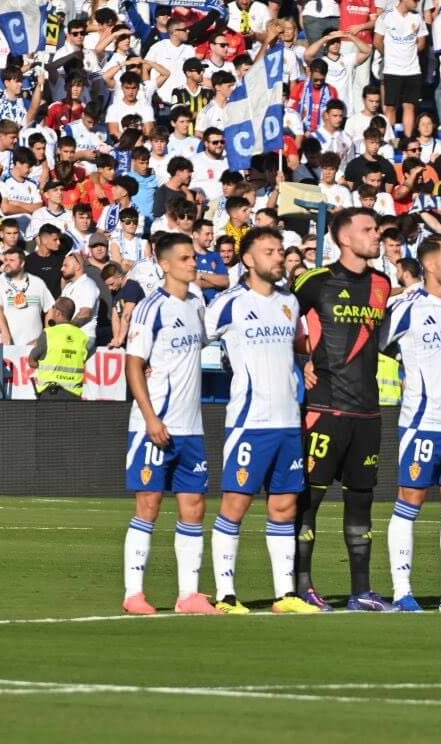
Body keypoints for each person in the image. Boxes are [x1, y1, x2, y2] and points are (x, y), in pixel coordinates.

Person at [203, 228, 319, 615]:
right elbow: (196, 336)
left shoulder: (290, 302)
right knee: (235, 504)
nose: (278, 258)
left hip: (288, 420)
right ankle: (226, 594)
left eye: (280, 251)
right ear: (249, 260)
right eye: (269, 252)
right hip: (250, 421)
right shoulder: (229, 303)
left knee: (284, 506)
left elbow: (302, 344)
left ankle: (285, 595)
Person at [292, 208, 396, 612]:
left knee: (362, 502)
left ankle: (362, 591)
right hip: (325, 408)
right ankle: (302, 586)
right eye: (368, 230)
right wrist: (299, 361)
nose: (376, 235)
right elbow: (280, 322)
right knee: (309, 502)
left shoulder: (382, 284)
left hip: (368, 412)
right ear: (344, 239)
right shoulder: (314, 282)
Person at [380, 235, 441, 613]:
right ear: (432, 265)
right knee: (411, 500)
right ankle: (402, 591)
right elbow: (376, 345)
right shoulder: (406, 308)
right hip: (421, 423)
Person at [121, 233, 214, 615]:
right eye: (186, 258)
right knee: (149, 504)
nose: (194, 264)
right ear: (165, 264)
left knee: (194, 505)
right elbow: (133, 364)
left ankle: (188, 594)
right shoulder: (150, 308)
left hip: (191, 426)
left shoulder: (197, 304)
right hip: (155, 424)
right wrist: (150, 417)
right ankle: (133, 593)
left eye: (194, 257)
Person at [29, 296, 89, 400]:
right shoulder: (82, 336)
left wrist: (43, 364)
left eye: (53, 308)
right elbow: (82, 360)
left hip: (50, 394)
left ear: (57, 312)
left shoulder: (48, 333)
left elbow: (31, 361)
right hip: (74, 394)